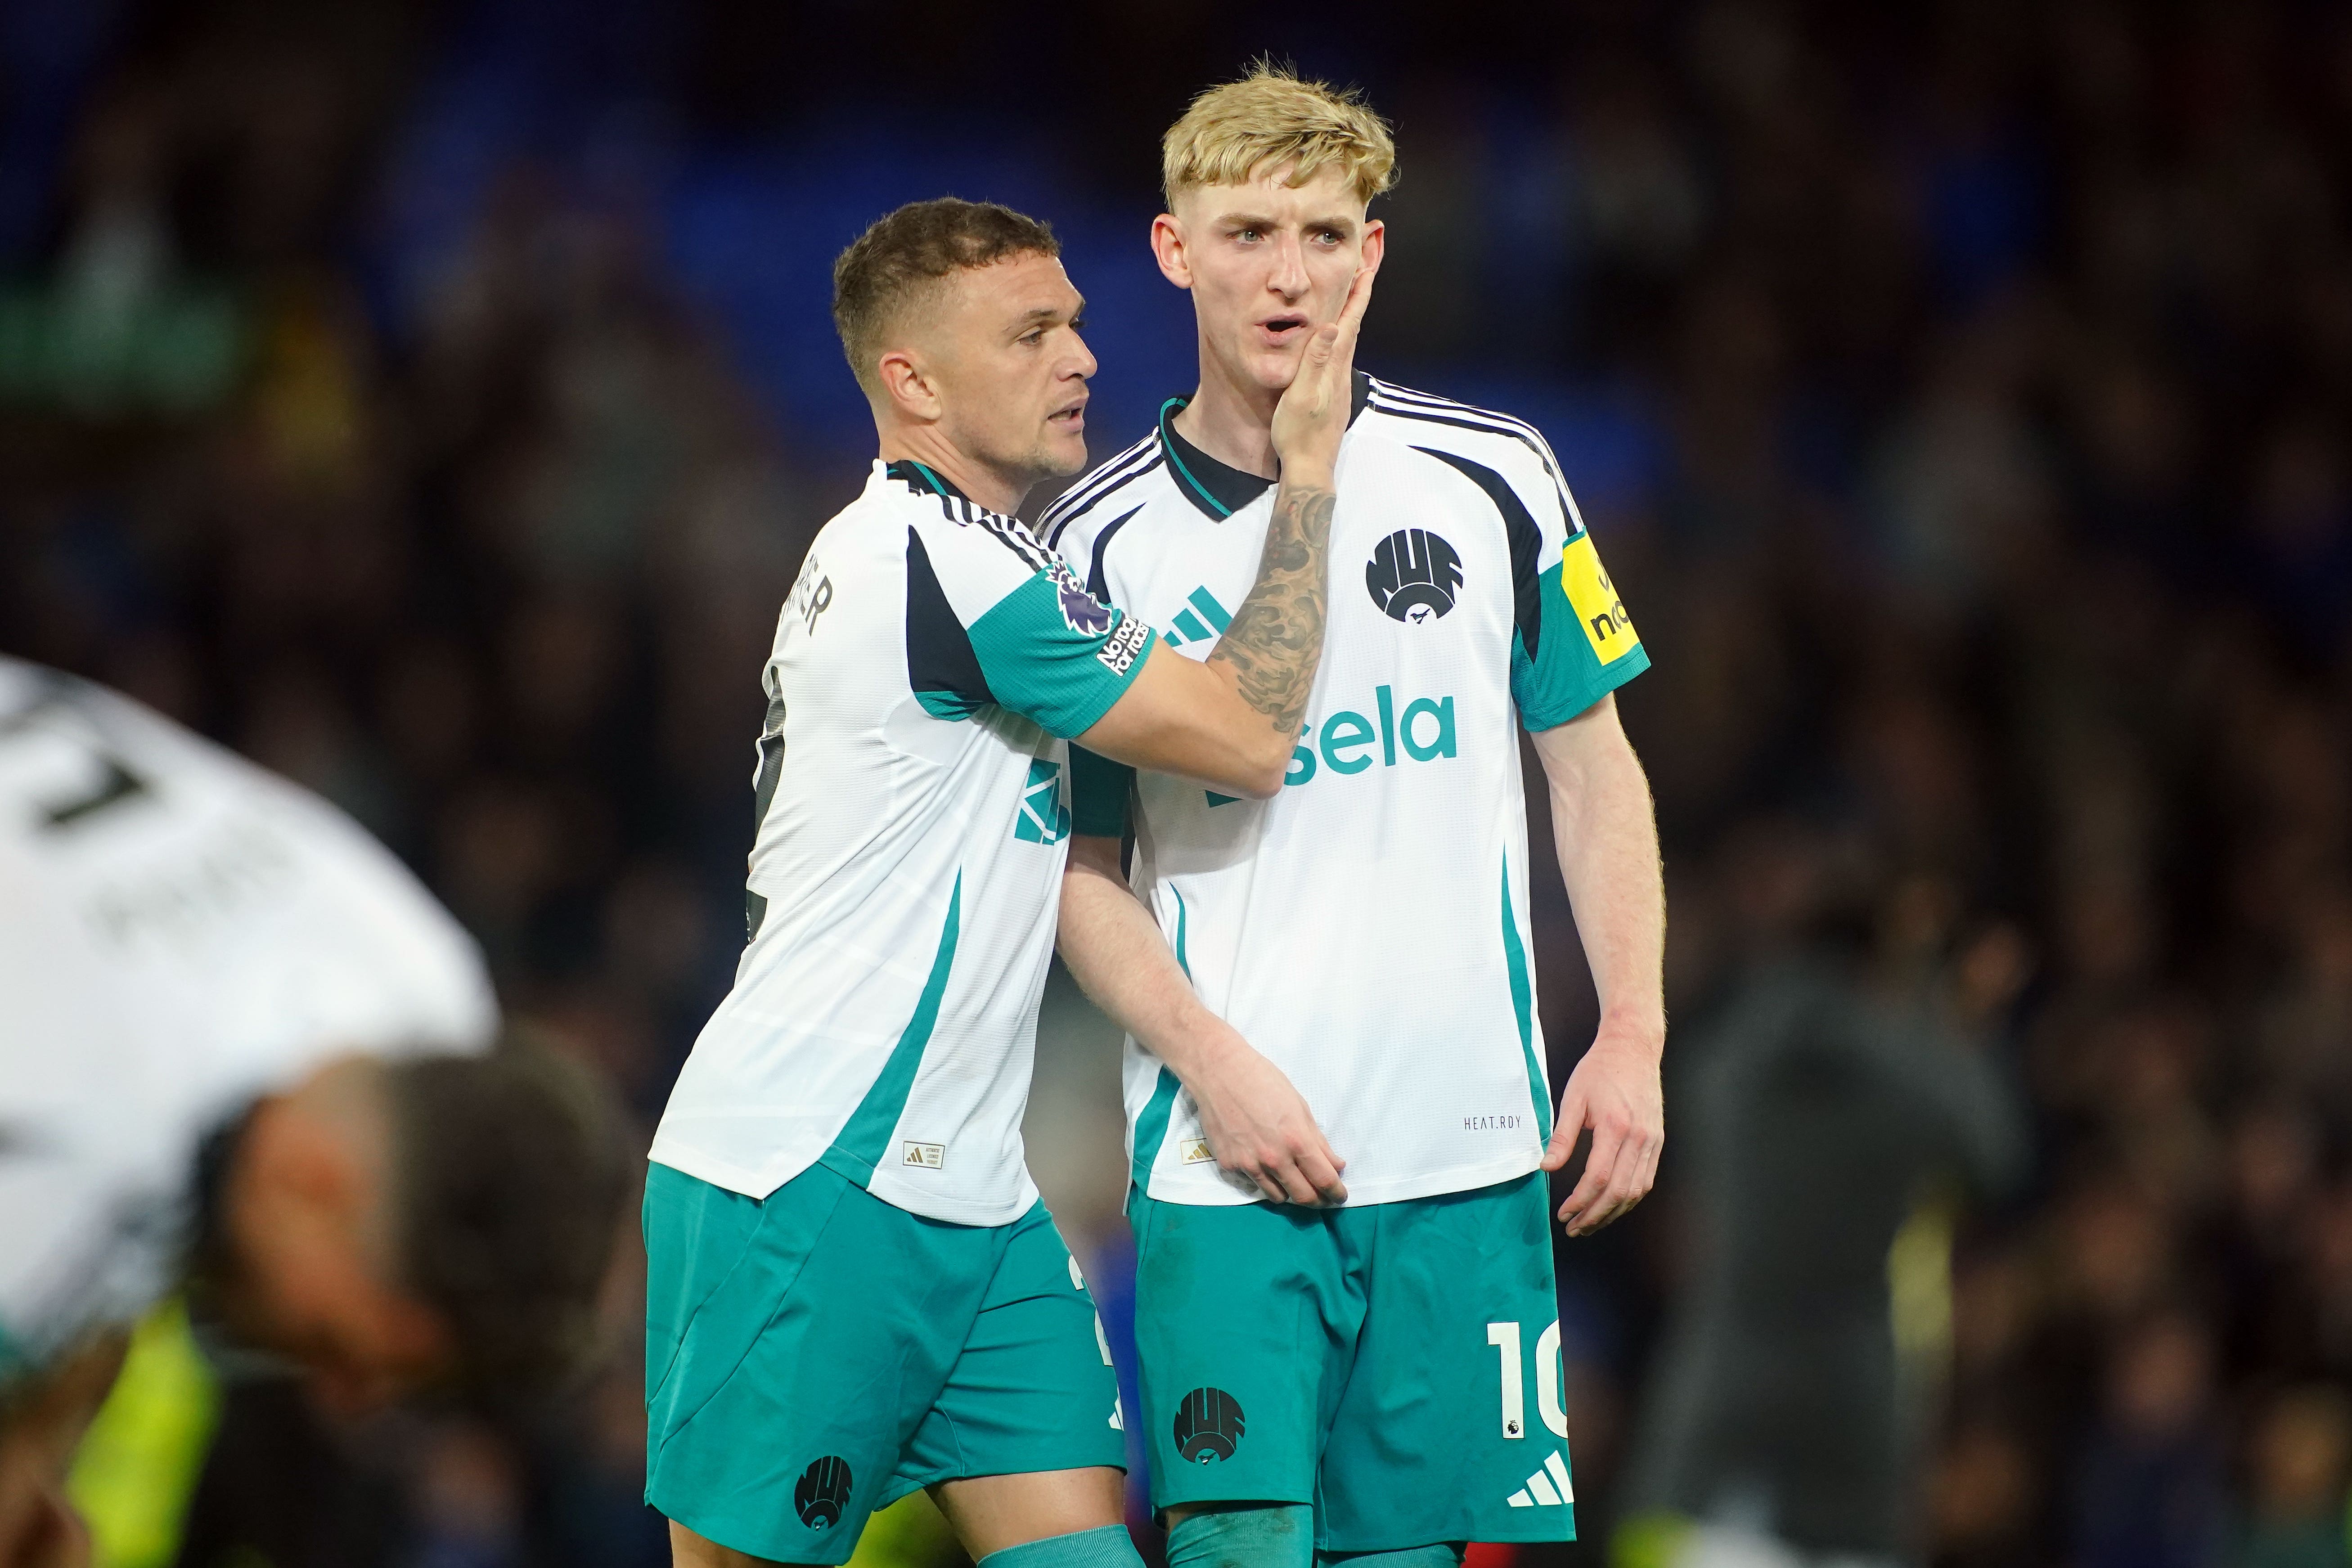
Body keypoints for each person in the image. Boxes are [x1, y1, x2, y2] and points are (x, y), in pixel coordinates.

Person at [642, 196, 1371, 1568]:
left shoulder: (933, 555)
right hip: (810, 1175)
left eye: (1079, 324)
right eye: (1031, 332)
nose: (1082, 357)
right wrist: (1309, 473)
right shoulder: (944, 564)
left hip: (979, 1194)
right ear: (909, 381)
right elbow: (1247, 734)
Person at [1044, 67, 1665, 1568]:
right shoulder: (1093, 544)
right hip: (1222, 1169)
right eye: (1245, 230)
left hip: (1463, 1163)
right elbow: (1075, 870)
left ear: (1372, 254)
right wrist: (1213, 1066)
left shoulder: (1496, 474)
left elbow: (1592, 766)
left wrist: (1633, 1029)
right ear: (1169, 249)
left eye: (1323, 234)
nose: (1287, 273)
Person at [0, 657, 632, 1568]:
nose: (340, 1397)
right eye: (343, 1347)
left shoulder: (422, 985)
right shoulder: (63, 1175)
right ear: (314, 1177)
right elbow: (96, 1237)